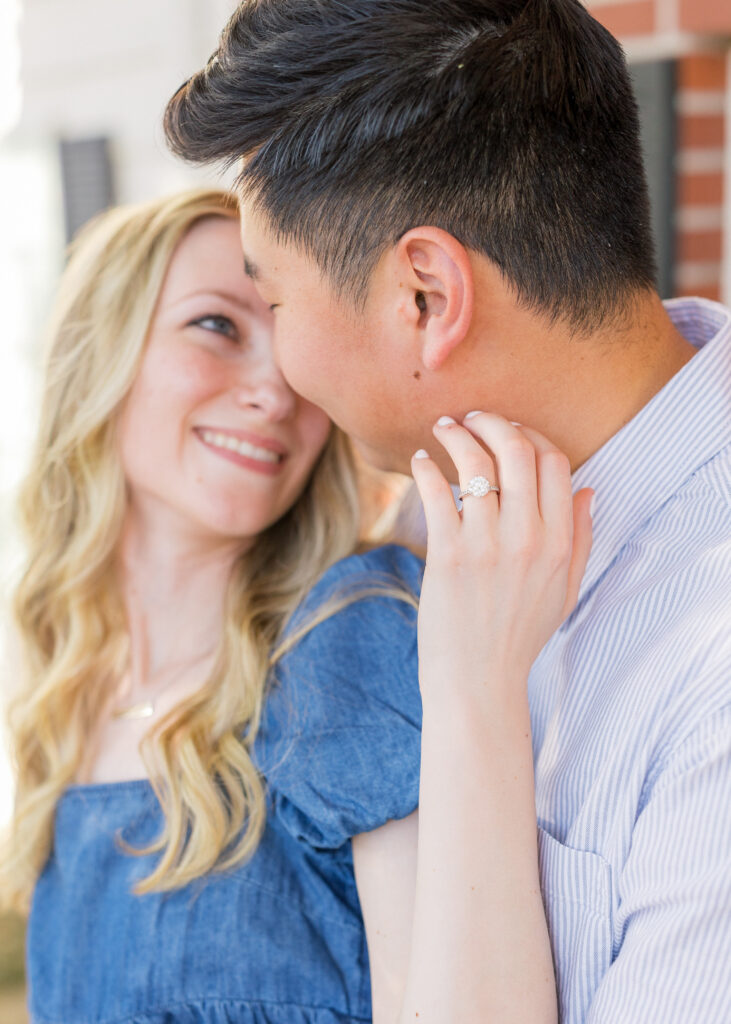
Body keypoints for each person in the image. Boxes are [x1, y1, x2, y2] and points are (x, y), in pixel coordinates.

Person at [163, 0, 731, 1022]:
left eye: (276, 301)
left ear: (423, 295)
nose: (280, 379)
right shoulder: (434, 513)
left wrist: (470, 693)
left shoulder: (710, 670)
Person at [1, 187, 590, 1024]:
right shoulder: (67, 699)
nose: (274, 391)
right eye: (217, 326)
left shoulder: (344, 639)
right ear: (101, 355)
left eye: (289, 347)